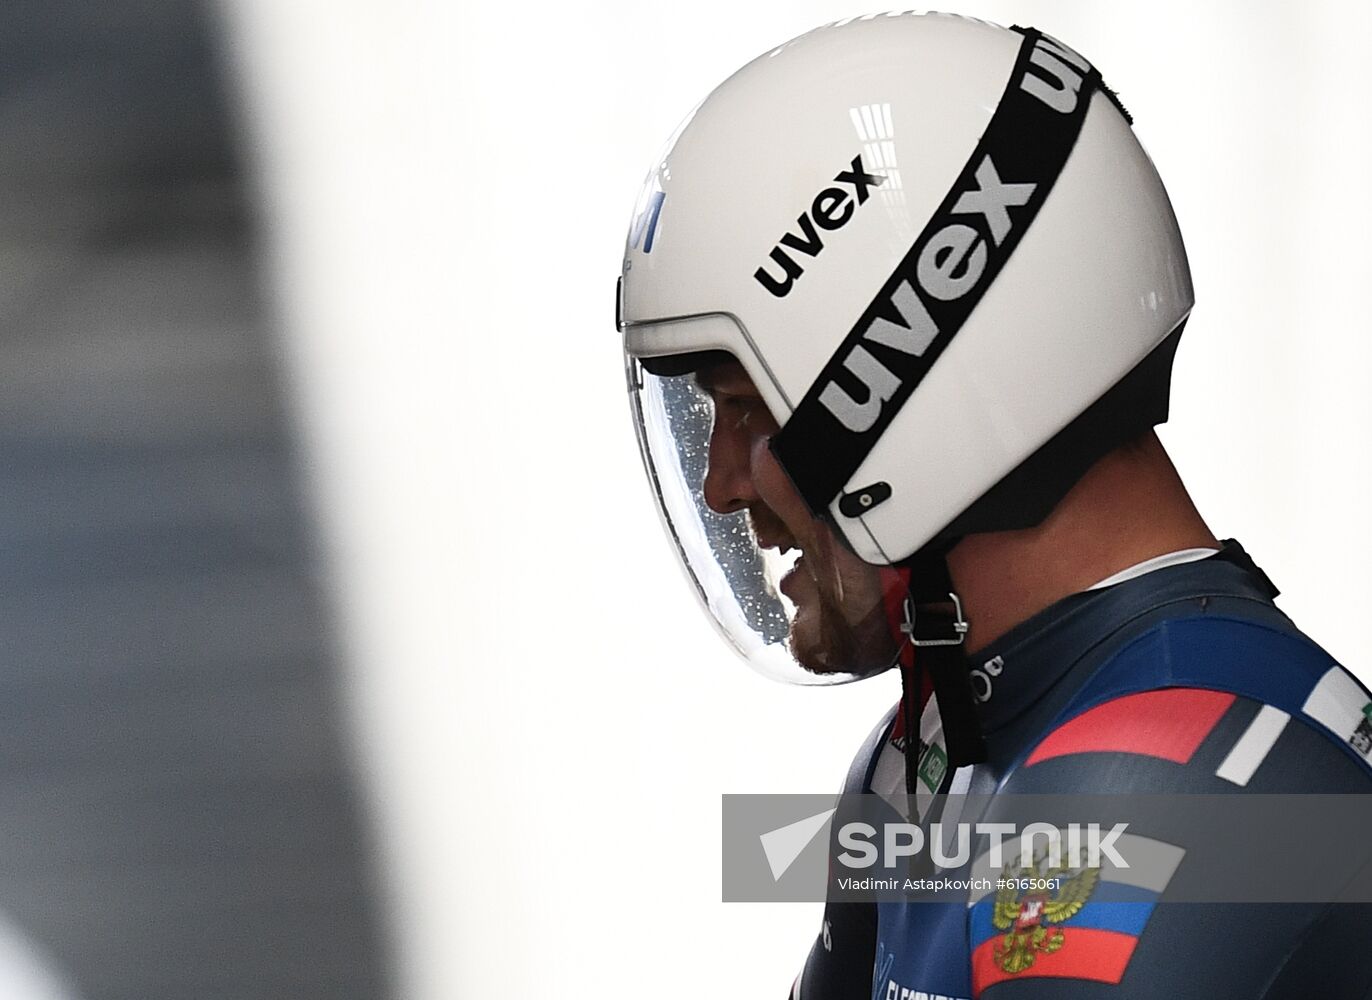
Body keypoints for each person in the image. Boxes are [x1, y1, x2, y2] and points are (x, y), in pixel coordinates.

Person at [617, 13, 1372, 999]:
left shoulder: (1154, 794)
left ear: (906, 384)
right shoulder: (926, 766)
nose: (721, 483)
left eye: (747, 408)